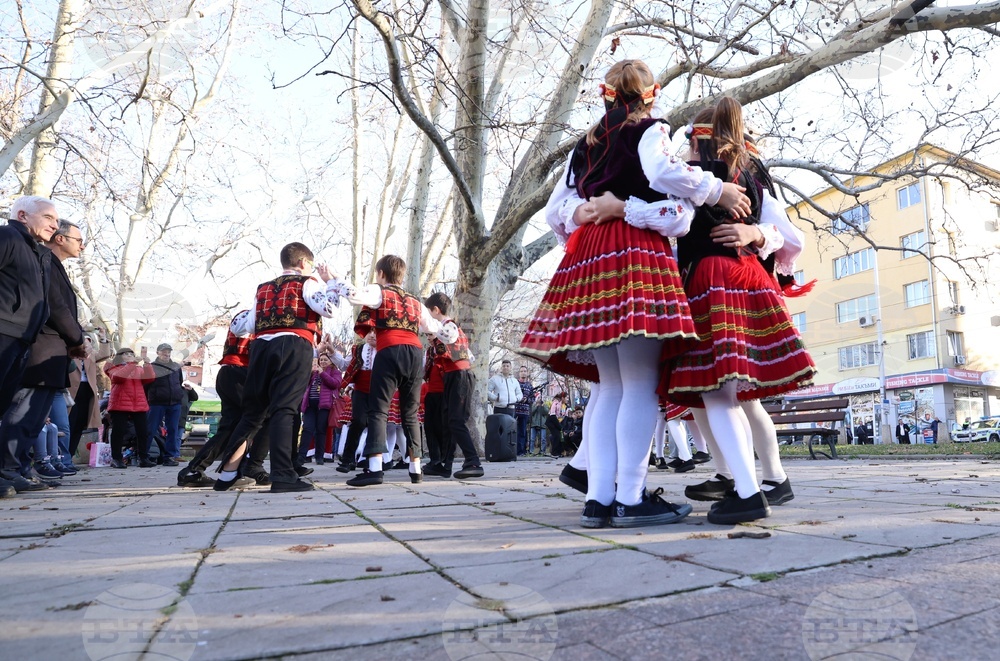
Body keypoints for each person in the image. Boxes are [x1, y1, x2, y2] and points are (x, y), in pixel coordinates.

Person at [522, 60, 752, 529]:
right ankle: (629, 497)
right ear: (651, 94)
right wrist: (717, 191)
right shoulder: (651, 131)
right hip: (635, 252)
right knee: (640, 382)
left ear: (606, 94)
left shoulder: (585, 145)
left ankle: (600, 500)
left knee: (609, 387)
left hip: (588, 257)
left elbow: (556, 211)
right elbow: (666, 181)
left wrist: (586, 212)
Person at [214, 242, 341, 493]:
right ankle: (283, 475)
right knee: (284, 409)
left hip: (261, 348)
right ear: (304, 263)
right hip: (293, 346)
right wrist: (333, 283)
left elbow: (241, 326)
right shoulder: (308, 283)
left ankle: (227, 476)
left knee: (253, 412)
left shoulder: (263, 288)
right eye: (311, 265)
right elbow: (329, 309)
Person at [328, 255, 450, 487]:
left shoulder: (379, 291)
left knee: (379, 409)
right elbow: (433, 328)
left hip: (390, 350)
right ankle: (415, 469)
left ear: (381, 274)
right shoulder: (416, 301)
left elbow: (354, 296)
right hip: (414, 353)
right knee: (410, 412)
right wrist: (451, 336)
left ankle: (375, 468)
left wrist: (335, 278)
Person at [0, 218, 86, 493]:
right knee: (22, 415)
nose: (82, 246)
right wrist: (78, 338)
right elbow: (57, 307)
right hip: (40, 349)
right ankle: (9, 469)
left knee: (34, 418)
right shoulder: (43, 259)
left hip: (53, 351)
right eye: (78, 240)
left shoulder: (53, 263)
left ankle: (20, 469)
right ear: (60, 239)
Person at [0, 196, 62, 495]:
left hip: (23, 338)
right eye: (49, 217)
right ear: (23, 215)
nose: (55, 224)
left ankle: (5, 473)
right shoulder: (7, 236)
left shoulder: (39, 253)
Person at [177, 313, 262, 488]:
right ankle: (234, 471)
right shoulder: (258, 317)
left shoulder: (247, 315)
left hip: (227, 372)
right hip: (240, 371)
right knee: (252, 420)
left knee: (229, 427)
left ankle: (193, 470)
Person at [423, 292, 483, 479]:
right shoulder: (448, 329)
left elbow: (449, 338)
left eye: (428, 312)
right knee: (450, 421)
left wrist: (431, 328)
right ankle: (445, 465)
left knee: (456, 421)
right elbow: (468, 355)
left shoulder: (449, 326)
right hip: (454, 376)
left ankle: (473, 461)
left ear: (435, 310)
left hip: (459, 377)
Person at [104, 348, 157, 469]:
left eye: (131, 354)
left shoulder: (138, 369)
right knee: (119, 432)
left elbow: (149, 379)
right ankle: (116, 458)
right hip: (120, 403)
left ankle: (143, 458)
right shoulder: (114, 367)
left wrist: (147, 365)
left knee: (143, 432)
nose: (130, 356)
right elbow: (119, 378)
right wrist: (132, 364)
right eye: (126, 354)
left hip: (138, 403)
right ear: (120, 356)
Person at [68, 331, 113, 468]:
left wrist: (103, 339)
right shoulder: (70, 354)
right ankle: (62, 456)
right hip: (72, 391)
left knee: (79, 425)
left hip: (87, 391)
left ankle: (68, 457)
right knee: (69, 424)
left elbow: (104, 354)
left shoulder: (90, 356)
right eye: (85, 342)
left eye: (89, 342)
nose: (87, 345)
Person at [336, 331, 377, 472]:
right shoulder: (357, 349)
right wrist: (331, 351)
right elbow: (343, 365)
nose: (372, 335)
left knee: (375, 424)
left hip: (379, 391)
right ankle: (348, 459)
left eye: (375, 331)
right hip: (360, 391)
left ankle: (369, 460)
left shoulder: (385, 349)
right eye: (368, 331)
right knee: (358, 422)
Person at [297, 352, 342, 465]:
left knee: (321, 431)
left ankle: (319, 456)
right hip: (309, 405)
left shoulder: (334, 372)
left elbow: (335, 384)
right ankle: (301, 455)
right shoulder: (314, 372)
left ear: (331, 361)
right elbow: (303, 383)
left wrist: (322, 374)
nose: (322, 362)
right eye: (321, 360)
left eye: (325, 360)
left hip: (324, 406)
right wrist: (309, 373)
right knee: (307, 429)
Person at [145, 343, 186, 466]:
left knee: (173, 430)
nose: (166, 354)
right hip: (157, 402)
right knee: (151, 429)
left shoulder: (176, 367)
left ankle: (170, 456)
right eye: (164, 351)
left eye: (168, 351)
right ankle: (144, 455)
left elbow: (179, 382)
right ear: (158, 353)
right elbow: (146, 385)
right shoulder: (151, 367)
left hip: (174, 402)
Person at [514, 366, 534, 456]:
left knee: (522, 432)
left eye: (525, 371)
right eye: (521, 371)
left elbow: (532, 399)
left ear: (527, 373)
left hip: (525, 412)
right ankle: (512, 450)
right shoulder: (515, 383)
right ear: (519, 373)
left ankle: (521, 451)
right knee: (513, 431)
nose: (523, 373)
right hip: (515, 410)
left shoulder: (530, 385)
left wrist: (527, 400)